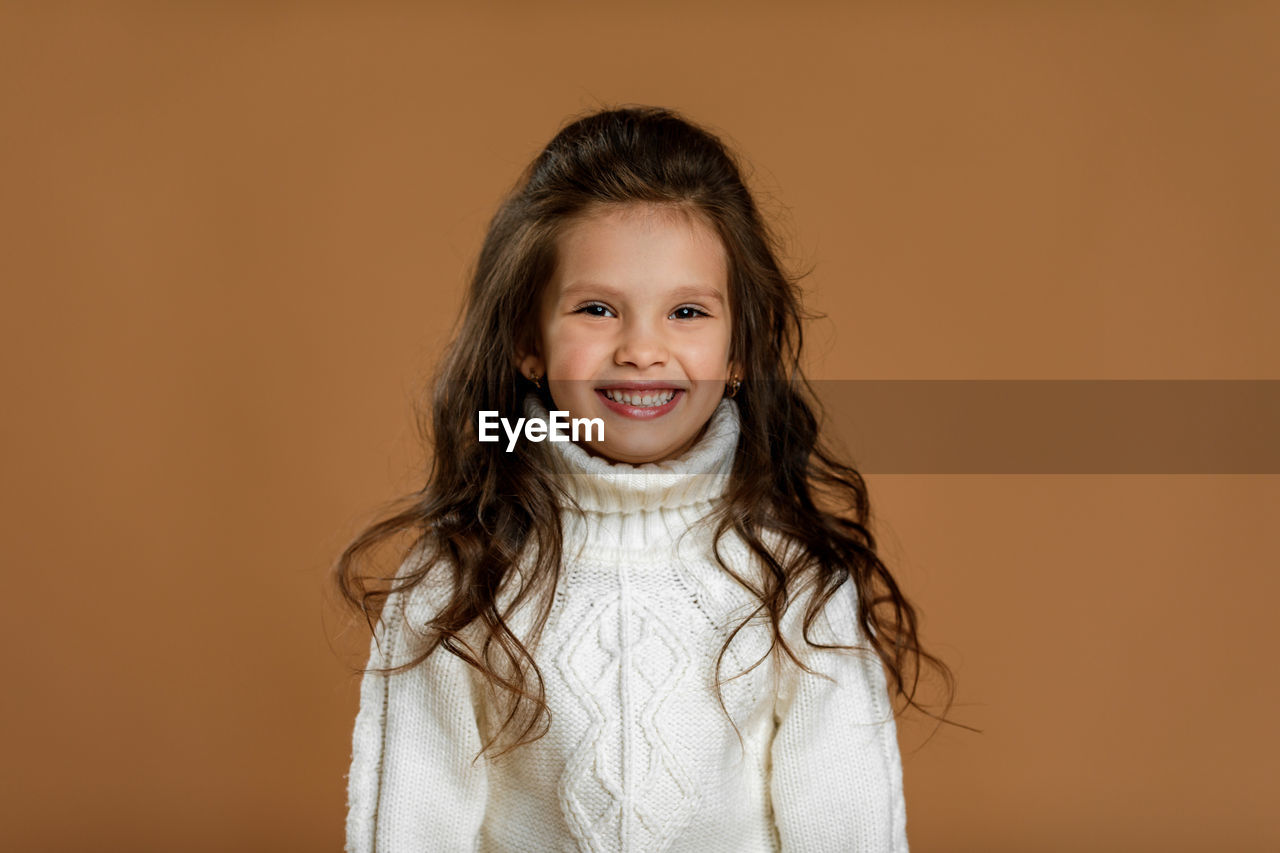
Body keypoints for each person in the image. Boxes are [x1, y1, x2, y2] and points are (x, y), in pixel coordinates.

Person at [335, 105, 955, 852]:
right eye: (598, 309)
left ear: (739, 352)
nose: (641, 349)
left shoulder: (796, 583)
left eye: (687, 311)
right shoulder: (459, 578)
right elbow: (413, 825)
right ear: (528, 342)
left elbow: (846, 827)